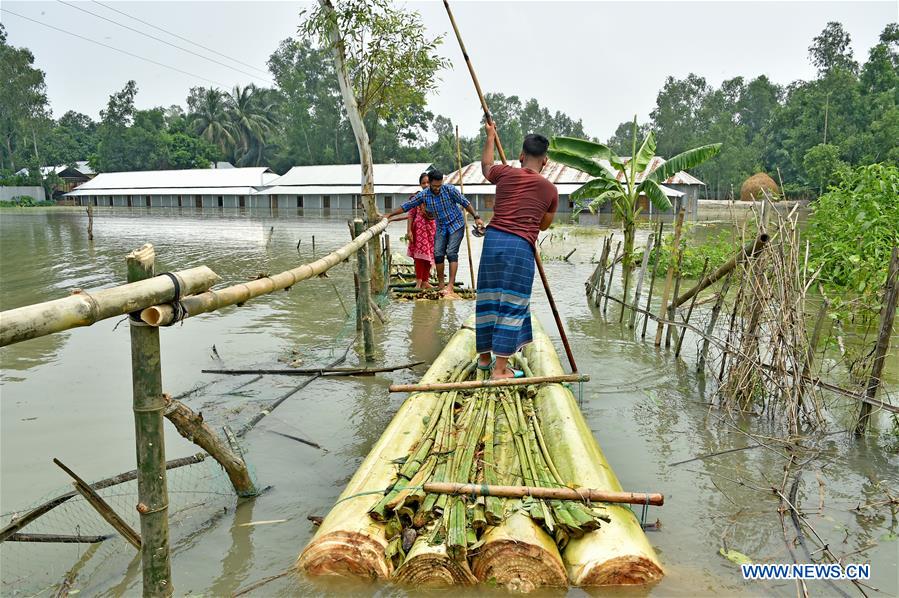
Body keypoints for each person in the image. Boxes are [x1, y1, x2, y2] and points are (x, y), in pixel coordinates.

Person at [475, 122, 558, 379]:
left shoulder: (505, 173)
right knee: (512, 304)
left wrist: (490, 136)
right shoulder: (550, 190)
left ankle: (485, 359)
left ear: (521, 156)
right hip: (520, 247)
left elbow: (486, 166)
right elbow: (543, 225)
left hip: (493, 241)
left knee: (487, 298)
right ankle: (500, 370)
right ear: (544, 162)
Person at [384, 169, 484, 298]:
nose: (438, 188)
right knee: (437, 254)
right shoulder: (423, 195)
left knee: (452, 253)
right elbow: (407, 206)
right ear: (430, 183)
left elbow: (465, 202)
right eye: (435, 186)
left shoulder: (450, 190)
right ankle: (441, 284)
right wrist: (390, 215)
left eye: (439, 185)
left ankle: (450, 286)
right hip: (441, 226)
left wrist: (476, 216)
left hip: (456, 224)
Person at [406, 172, 436, 289]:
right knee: (419, 256)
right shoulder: (416, 197)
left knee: (429, 255)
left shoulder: (437, 197)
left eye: (428, 182)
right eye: (423, 183)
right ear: (420, 184)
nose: (426, 185)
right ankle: (419, 281)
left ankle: (425, 281)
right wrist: (409, 231)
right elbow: (410, 214)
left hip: (432, 230)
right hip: (419, 230)